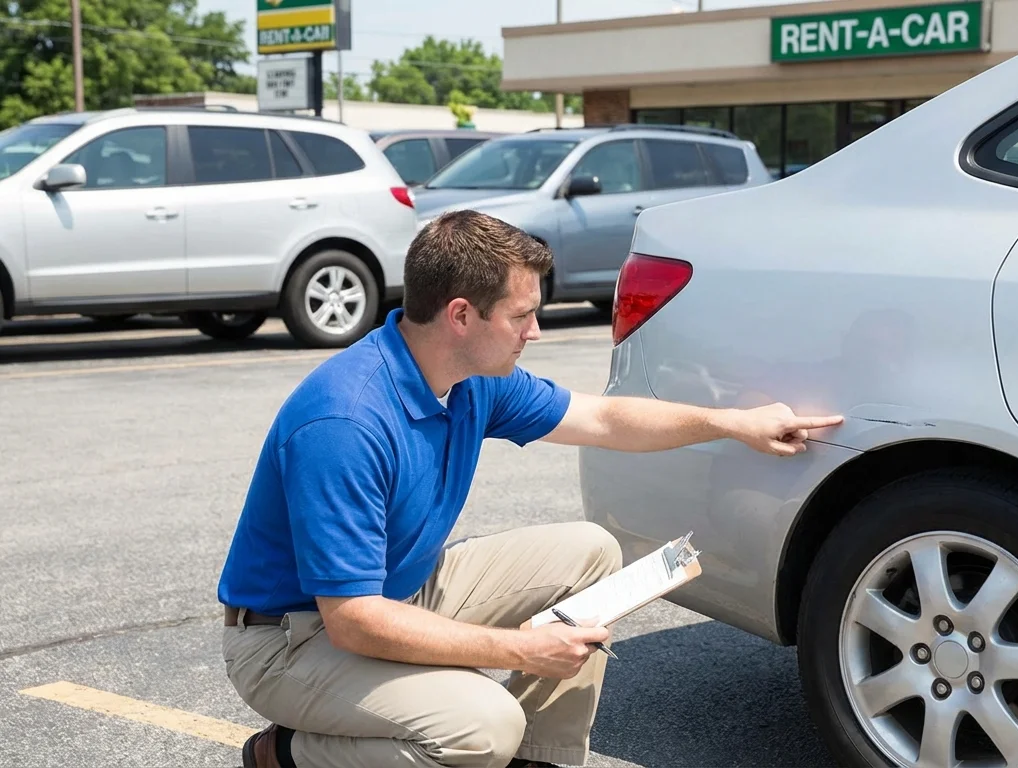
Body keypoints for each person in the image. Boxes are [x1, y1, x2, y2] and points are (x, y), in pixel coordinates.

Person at [216, 209, 844, 768]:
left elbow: (602, 418)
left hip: (396, 593)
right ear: (461, 315)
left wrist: (732, 424)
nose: (535, 331)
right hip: (291, 641)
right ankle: (290, 753)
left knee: (590, 550)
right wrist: (522, 650)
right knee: (481, 727)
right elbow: (352, 622)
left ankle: (541, 761)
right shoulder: (345, 422)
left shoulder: (471, 378)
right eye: (522, 315)